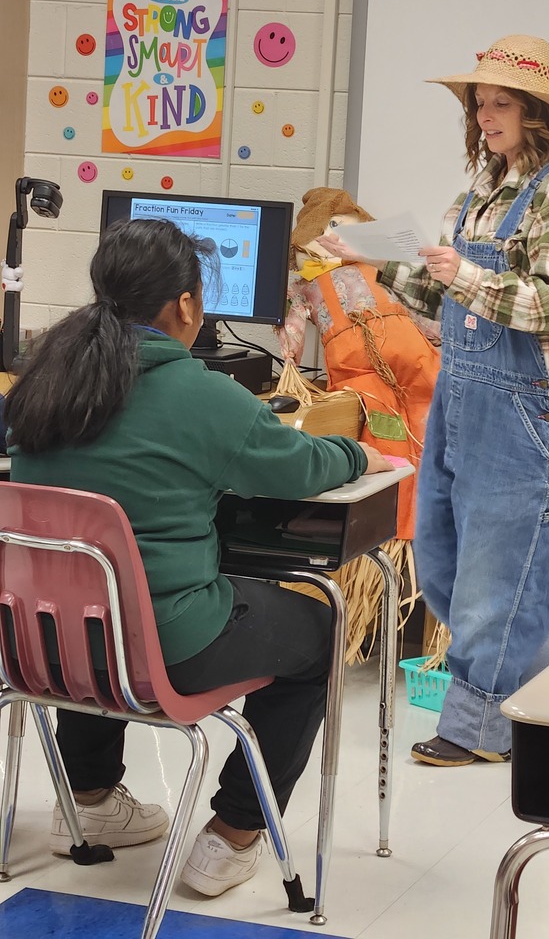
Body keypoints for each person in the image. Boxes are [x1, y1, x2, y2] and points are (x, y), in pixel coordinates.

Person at [4, 217, 392, 895]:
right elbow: (301, 469)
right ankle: (234, 832)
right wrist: (358, 451)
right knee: (319, 631)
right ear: (186, 304)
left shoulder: (40, 380)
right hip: (166, 650)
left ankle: (92, 799)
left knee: (90, 593)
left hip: (37, 645)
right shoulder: (204, 395)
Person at [321, 34, 549, 766]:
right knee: (448, 563)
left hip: (529, 407)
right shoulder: (483, 191)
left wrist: (463, 275)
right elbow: (443, 292)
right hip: (464, 399)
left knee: (501, 573)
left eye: (500, 104)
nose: (484, 116)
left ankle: (477, 729)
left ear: (538, 113)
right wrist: (374, 260)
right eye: (478, 104)